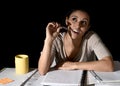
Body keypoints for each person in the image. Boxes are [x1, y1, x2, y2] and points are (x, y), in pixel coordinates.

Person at [38, 9, 114, 75]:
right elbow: (42, 71)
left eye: (83, 22)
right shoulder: (57, 39)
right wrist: (48, 40)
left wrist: (73, 65)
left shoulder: (91, 37)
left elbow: (109, 65)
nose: (78, 26)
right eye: (74, 19)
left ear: (87, 28)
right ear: (67, 21)